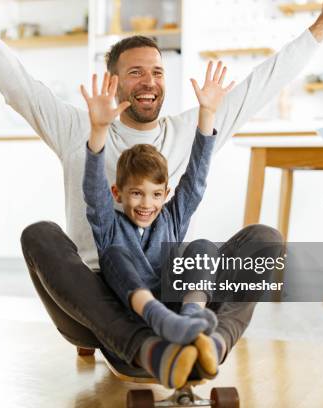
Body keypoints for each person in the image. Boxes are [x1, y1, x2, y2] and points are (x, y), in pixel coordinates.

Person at [0, 0, 323, 385]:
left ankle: (209, 343)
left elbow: (262, 83)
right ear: (115, 82)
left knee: (265, 240)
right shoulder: (78, 128)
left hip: (170, 294)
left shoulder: (188, 130)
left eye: (157, 71)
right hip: (94, 301)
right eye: (136, 72)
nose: (149, 80)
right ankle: (142, 348)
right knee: (39, 234)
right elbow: (14, 82)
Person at [81, 64, 234, 387]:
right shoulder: (109, 224)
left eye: (154, 194)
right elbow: (93, 189)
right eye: (136, 194)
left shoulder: (171, 217)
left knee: (203, 247)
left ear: (166, 195)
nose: (146, 204)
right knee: (113, 256)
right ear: (118, 194)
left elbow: (196, 179)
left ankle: (191, 320)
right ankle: (161, 319)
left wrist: (207, 114)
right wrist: (98, 130)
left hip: (176, 303)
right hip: (137, 309)